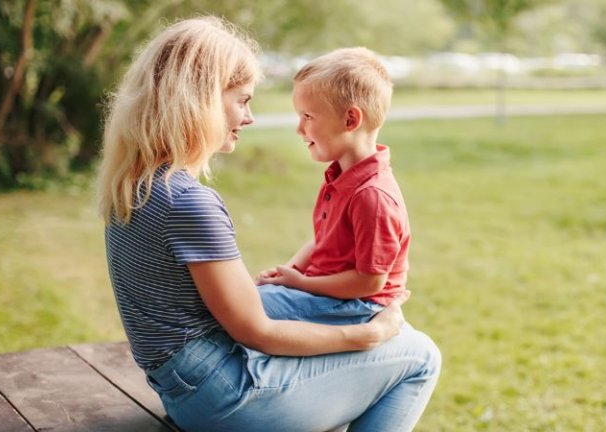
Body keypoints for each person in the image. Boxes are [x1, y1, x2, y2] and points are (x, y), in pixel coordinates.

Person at [97, 16, 440, 432]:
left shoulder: (134, 185)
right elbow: (256, 331)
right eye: (242, 100)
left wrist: (291, 283)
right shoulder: (188, 203)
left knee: (279, 302)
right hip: (223, 399)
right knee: (420, 355)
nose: (250, 117)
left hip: (181, 388)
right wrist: (364, 338)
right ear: (200, 99)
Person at [255, 47, 410, 327]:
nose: (299, 129)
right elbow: (324, 240)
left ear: (350, 120)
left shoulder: (372, 196)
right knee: (249, 299)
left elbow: (370, 281)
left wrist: (302, 284)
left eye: (308, 117)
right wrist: (289, 271)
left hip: (358, 307)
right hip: (328, 293)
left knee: (245, 309)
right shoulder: (343, 177)